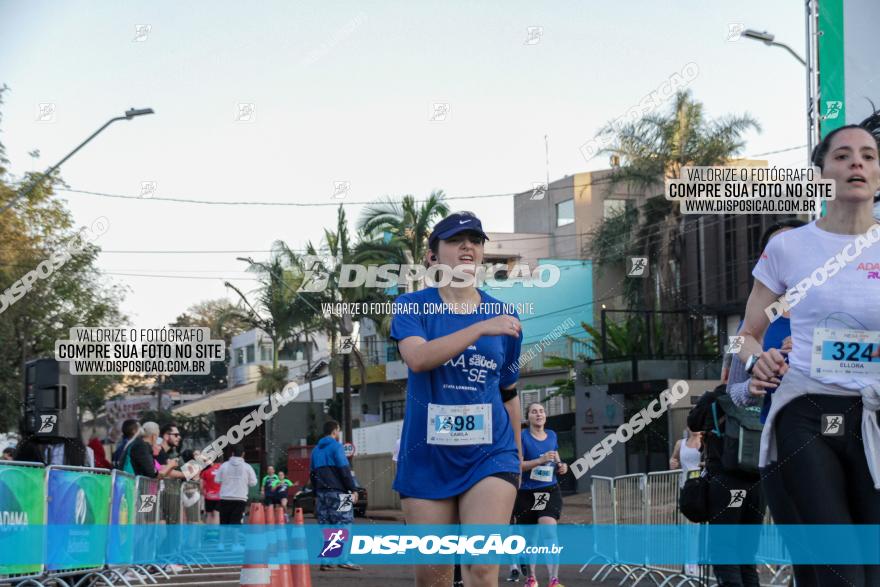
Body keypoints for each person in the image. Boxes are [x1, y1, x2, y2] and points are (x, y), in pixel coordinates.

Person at [737, 124, 880, 586]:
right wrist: (756, 361)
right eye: (842, 156)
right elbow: (747, 335)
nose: (856, 163)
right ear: (822, 174)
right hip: (806, 410)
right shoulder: (789, 247)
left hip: (875, 417)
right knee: (840, 573)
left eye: (867, 155)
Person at [390, 211, 524, 587]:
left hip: (490, 455)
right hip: (427, 458)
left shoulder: (505, 316)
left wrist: (516, 459)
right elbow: (418, 358)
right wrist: (479, 325)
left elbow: (509, 393)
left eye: (476, 240)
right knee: (434, 576)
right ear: (432, 256)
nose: (468, 246)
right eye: (455, 239)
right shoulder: (412, 307)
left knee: (482, 567)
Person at [513, 403, 568, 587]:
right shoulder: (522, 437)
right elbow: (518, 465)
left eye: (542, 411)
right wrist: (540, 460)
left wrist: (561, 466)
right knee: (531, 539)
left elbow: (555, 455)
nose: (539, 414)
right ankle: (532, 578)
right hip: (527, 492)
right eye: (534, 412)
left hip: (547, 490)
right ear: (527, 417)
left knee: (549, 531)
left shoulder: (552, 435)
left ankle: (554, 579)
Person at [310, 420, 361, 571]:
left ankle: (326, 560)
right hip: (341, 492)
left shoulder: (315, 450)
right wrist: (353, 489)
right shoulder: (336, 447)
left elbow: (312, 475)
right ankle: (343, 559)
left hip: (322, 494)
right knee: (344, 524)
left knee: (326, 526)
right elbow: (344, 470)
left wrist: (315, 493)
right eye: (338, 430)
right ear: (335, 431)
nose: (339, 433)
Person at [215, 444, 256, 525]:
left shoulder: (224, 466)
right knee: (236, 524)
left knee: (224, 523)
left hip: (225, 498)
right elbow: (253, 483)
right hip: (240, 498)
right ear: (243, 454)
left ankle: (223, 538)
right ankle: (234, 538)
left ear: (232, 454)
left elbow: (217, 480)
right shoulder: (247, 467)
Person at [200, 455, 222, 524]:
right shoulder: (224, 469)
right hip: (219, 496)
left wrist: (203, 493)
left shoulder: (206, 471)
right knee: (216, 514)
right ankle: (216, 532)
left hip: (209, 496)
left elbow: (201, 485)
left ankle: (208, 532)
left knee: (209, 514)